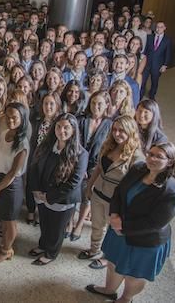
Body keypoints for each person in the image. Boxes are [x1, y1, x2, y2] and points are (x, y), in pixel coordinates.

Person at [86, 142, 175, 303]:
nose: (151, 158)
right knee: (113, 263)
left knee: (134, 274)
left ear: (170, 161)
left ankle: (126, 298)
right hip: (119, 229)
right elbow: (118, 192)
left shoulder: (171, 190)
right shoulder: (138, 168)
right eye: (150, 154)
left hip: (145, 240)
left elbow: (155, 223)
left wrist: (121, 226)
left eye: (159, 156)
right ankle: (109, 290)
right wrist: (114, 214)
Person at [78, 115, 144, 270]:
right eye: (114, 129)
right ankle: (94, 250)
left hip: (116, 201)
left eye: (122, 131)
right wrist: (89, 187)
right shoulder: (108, 146)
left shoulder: (136, 157)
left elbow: (137, 185)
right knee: (97, 225)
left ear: (130, 132)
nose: (117, 133)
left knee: (113, 231)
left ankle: (107, 257)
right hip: (99, 193)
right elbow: (99, 169)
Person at [27, 113, 88, 265]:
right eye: (59, 126)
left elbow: (73, 183)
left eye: (66, 127)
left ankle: (51, 253)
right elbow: (33, 167)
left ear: (73, 130)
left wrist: (50, 197)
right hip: (41, 195)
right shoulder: (46, 146)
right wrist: (35, 190)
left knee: (56, 229)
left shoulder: (81, 154)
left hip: (61, 199)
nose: (62, 131)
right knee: (45, 224)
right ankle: (43, 245)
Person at [69, 91, 113, 240]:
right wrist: (79, 165)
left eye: (100, 103)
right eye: (93, 103)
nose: (96, 106)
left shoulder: (110, 125)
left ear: (107, 105)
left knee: (87, 195)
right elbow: (73, 142)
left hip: (95, 166)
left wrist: (91, 169)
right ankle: (69, 222)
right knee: (73, 191)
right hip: (76, 161)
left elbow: (107, 150)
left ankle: (79, 223)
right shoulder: (81, 119)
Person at [0, 103, 29, 263]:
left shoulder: (22, 143)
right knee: (4, 219)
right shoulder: (5, 132)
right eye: (8, 116)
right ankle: (4, 245)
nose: (11, 120)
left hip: (10, 185)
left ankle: (6, 251)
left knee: (10, 221)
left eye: (15, 117)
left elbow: (13, 172)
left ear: (22, 119)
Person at [27, 92, 62, 225]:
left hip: (50, 162)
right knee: (31, 184)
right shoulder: (37, 121)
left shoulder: (59, 124)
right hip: (34, 158)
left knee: (45, 187)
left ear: (57, 105)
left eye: (51, 103)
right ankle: (31, 210)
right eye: (46, 103)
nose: (48, 106)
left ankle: (41, 213)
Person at [141, 21, 172, 100]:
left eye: (161, 27)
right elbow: (146, 50)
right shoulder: (150, 37)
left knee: (154, 82)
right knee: (143, 80)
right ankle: (140, 94)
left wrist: (165, 65)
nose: (159, 29)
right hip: (147, 64)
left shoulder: (167, 40)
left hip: (157, 65)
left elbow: (168, 53)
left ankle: (152, 95)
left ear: (164, 28)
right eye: (157, 27)